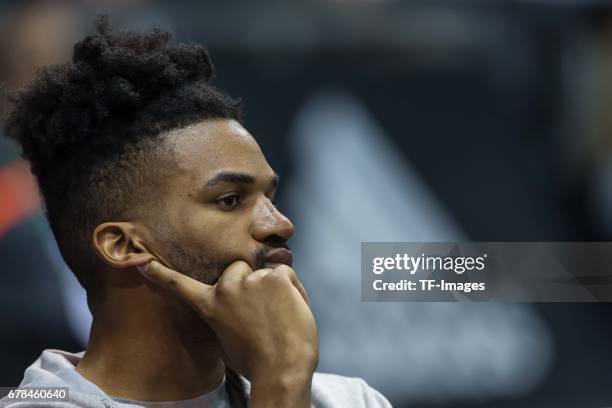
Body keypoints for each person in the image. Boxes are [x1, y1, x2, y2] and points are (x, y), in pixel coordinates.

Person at [1, 15, 391, 408]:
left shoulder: (352, 400)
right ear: (122, 245)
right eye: (230, 200)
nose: (280, 225)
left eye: (270, 198)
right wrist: (282, 381)